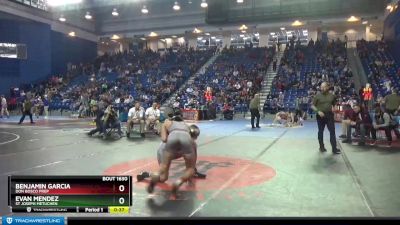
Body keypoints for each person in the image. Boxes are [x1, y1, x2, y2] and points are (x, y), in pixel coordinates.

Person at [147, 110, 196, 197]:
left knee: (163, 168)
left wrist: (171, 135)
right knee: (190, 169)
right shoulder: (186, 126)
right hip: (178, 146)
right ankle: (178, 182)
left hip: (169, 146)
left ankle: (156, 174)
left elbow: (164, 139)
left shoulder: (167, 123)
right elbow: (193, 144)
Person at [137, 124, 206, 181]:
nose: (195, 139)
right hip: (164, 152)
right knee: (163, 178)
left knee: (193, 148)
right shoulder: (179, 139)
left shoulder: (187, 140)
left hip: (175, 151)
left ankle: (194, 170)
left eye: (196, 137)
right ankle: (145, 174)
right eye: (194, 137)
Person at [311, 82, 340, 154]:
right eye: (321, 87)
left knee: (332, 132)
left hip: (329, 115)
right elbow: (312, 106)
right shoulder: (317, 96)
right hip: (320, 116)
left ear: (328, 87)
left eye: (324, 87)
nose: (322, 88)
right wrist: (318, 111)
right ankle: (321, 147)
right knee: (320, 131)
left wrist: (335, 108)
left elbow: (335, 104)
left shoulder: (332, 96)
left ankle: (334, 148)